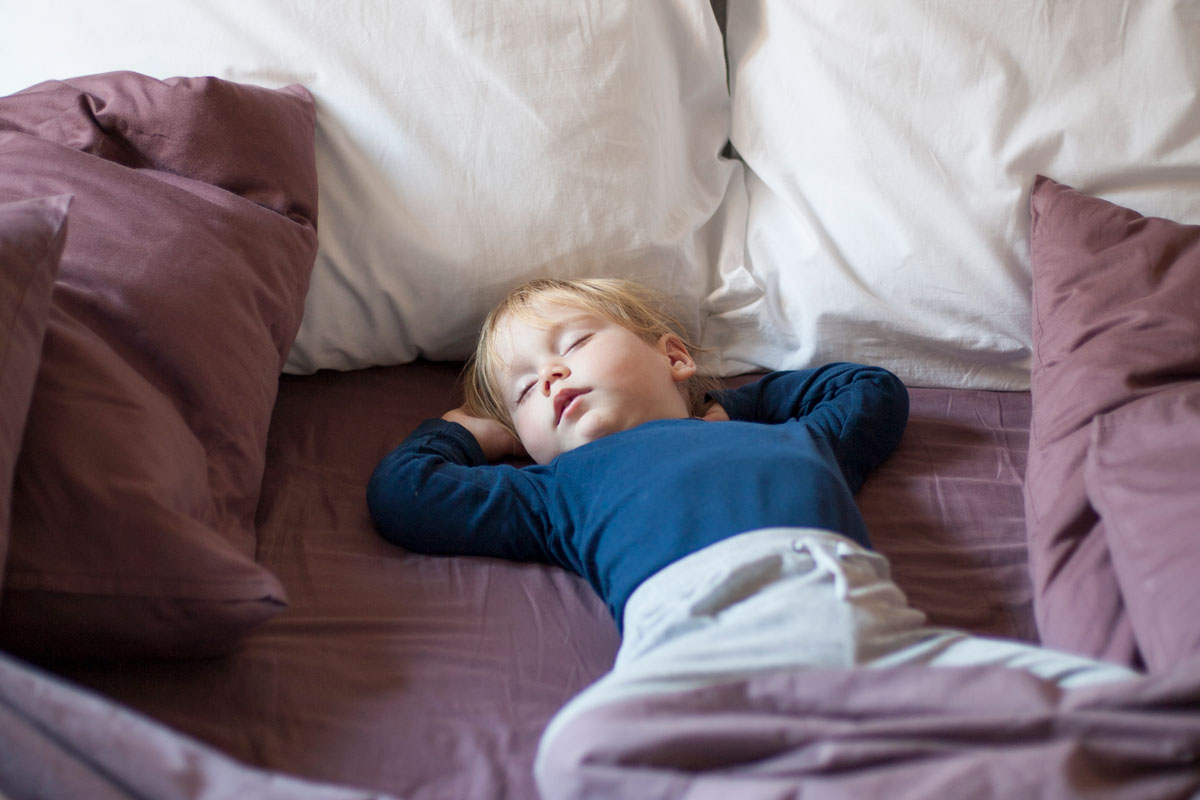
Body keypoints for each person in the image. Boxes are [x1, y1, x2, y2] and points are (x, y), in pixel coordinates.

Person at [366, 276, 1138, 793]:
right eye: (526, 390)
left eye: (570, 346)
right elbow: (408, 496)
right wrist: (467, 432)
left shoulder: (794, 437)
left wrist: (728, 404)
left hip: (867, 635)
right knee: (576, 753)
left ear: (672, 355)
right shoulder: (552, 489)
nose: (554, 379)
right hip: (697, 656)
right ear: (524, 440)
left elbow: (869, 389)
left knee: (1117, 704)